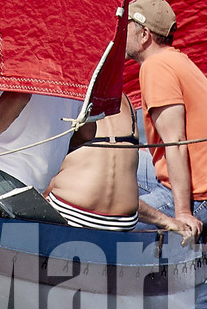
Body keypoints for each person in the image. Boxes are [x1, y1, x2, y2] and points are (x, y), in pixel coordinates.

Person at [127, 0, 207, 247]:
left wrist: (182, 213)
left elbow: (177, 143)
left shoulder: (155, 67)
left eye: (125, 26)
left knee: (106, 218)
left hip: (205, 200)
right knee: (107, 171)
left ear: (144, 34)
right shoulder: (177, 59)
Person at [43, 85, 142, 231]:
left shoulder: (67, 95)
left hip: (70, 214)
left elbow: (43, 173)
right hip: (123, 223)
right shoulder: (126, 103)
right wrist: (165, 220)